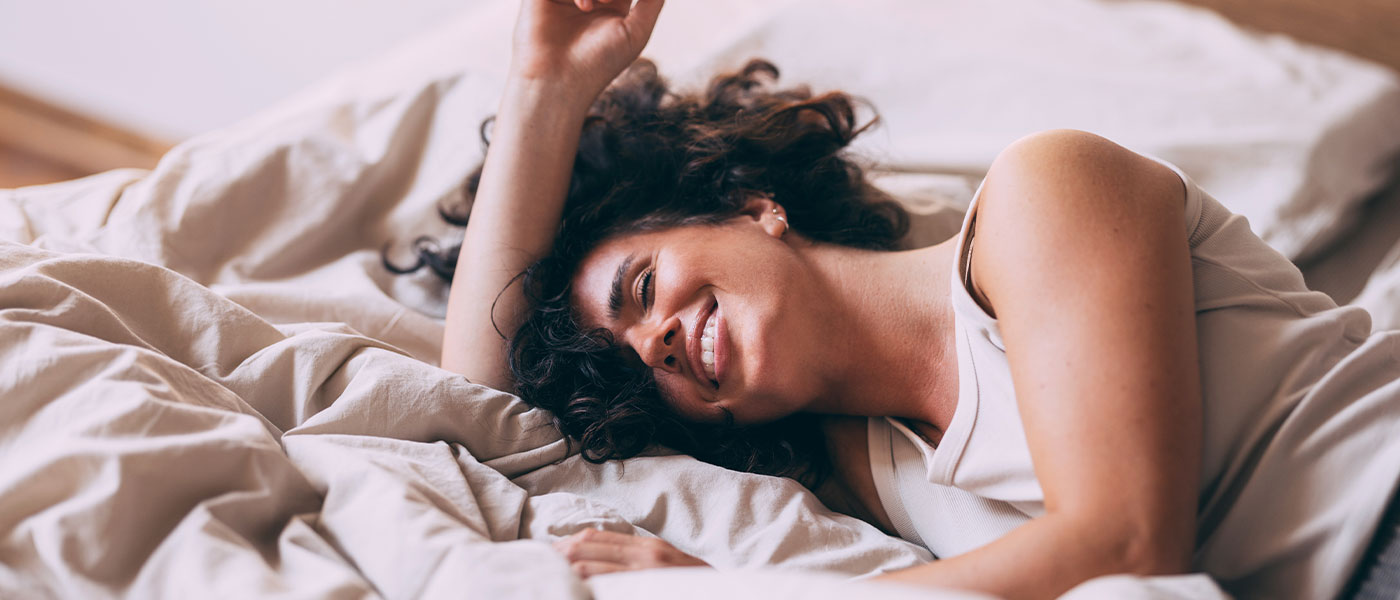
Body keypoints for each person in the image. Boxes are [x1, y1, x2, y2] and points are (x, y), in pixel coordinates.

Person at [391, 1, 1400, 598]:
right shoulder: (855, 475)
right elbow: (484, 406)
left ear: (749, 205)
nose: (653, 341)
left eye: (643, 288)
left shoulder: (1044, 194)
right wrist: (542, 89)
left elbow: (1128, 544)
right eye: (634, 363)